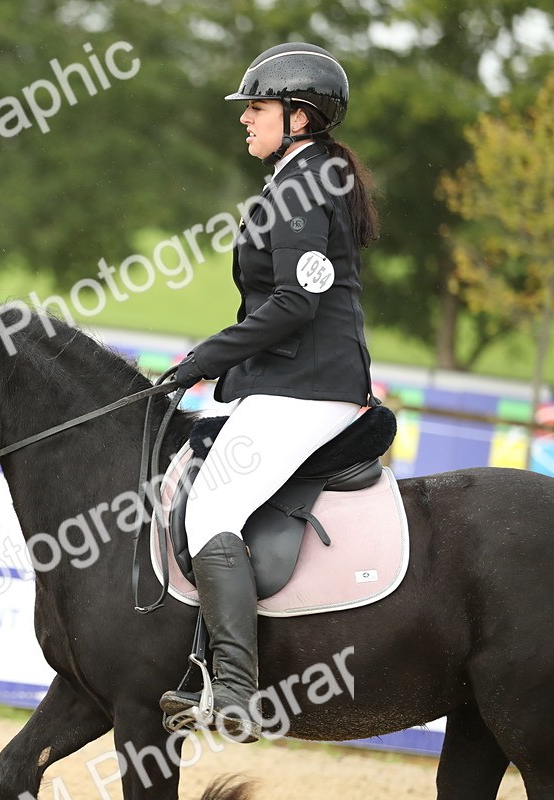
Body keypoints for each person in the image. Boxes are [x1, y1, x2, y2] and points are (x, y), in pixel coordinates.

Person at [157, 42, 379, 743]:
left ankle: (235, 693)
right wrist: (213, 367)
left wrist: (201, 360)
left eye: (256, 108)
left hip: (310, 388)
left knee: (214, 505)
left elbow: (293, 305)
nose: (245, 120)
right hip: (283, 382)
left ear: (300, 116)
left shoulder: (304, 186)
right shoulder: (295, 178)